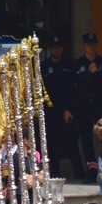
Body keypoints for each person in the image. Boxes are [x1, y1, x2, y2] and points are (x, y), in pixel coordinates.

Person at [72, 33, 102, 183]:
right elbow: (73, 87)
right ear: (84, 45)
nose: (91, 47)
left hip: (99, 104)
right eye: (88, 44)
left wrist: (95, 73)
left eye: (93, 44)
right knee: (86, 140)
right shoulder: (77, 64)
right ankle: (91, 171)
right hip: (83, 106)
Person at [41, 36, 81, 179]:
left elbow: (73, 88)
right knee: (52, 142)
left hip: (67, 110)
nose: (56, 49)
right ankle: (55, 171)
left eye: (59, 47)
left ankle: (79, 170)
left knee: (72, 141)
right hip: (50, 111)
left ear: (62, 48)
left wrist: (69, 108)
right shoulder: (44, 66)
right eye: (54, 47)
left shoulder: (69, 65)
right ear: (50, 49)